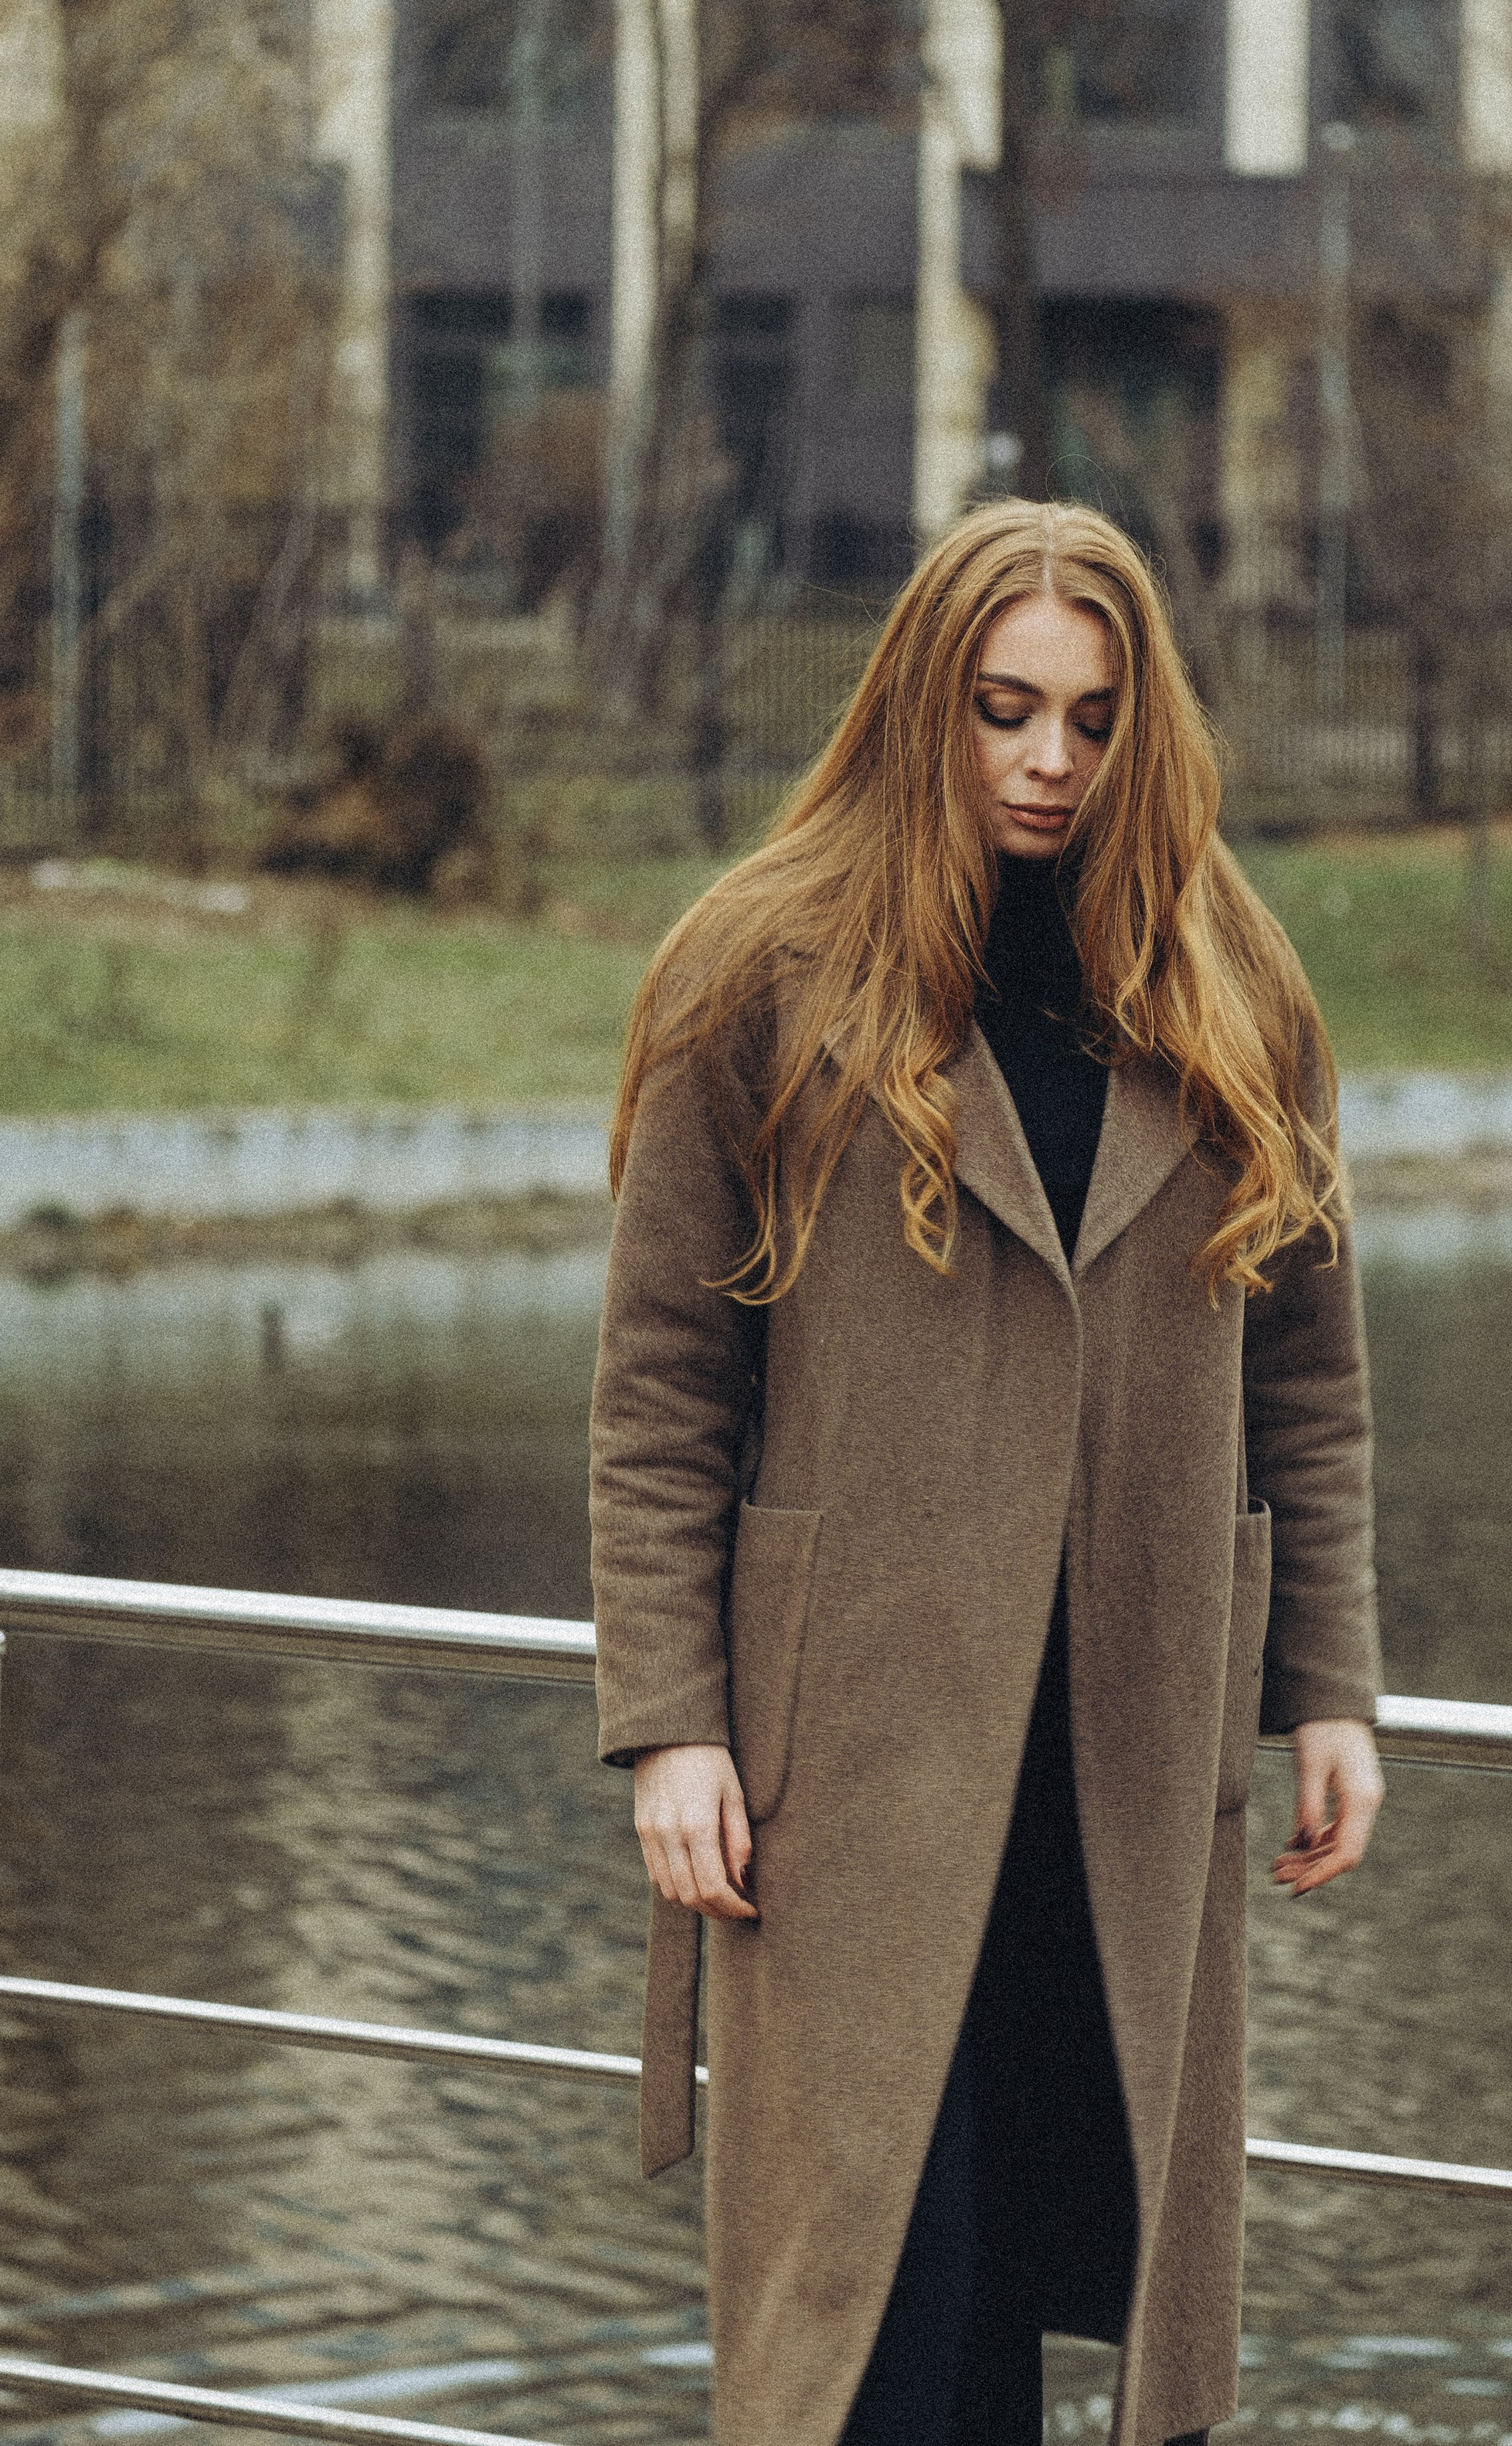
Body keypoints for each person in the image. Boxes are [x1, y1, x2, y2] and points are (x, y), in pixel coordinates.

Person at [590, 500, 1382, 2446]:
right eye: (1004, 709)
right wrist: (670, 1723)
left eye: (1093, 719)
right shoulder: (757, 967)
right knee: (872, 2307)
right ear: (918, 703)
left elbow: (1307, 1376)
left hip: (1122, 1741)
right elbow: (660, 1387)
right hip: (850, 1754)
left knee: (1035, 2273)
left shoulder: (1229, 981)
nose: (1048, 761)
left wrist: (1331, 1690)